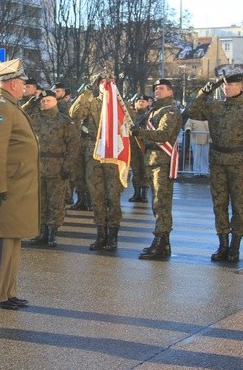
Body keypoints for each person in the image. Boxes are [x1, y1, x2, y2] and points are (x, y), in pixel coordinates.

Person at [0, 58, 39, 311]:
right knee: (3, 240)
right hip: (6, 186)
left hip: (15, 184)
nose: (24, 86)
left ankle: (8, 291)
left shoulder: (9, 104)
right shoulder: (0, 106)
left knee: (13, 238)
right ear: (13, 83)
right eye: (22, 82)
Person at [185, 73, 243, 262]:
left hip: (239, 163)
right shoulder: (215, 107)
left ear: (240, 87)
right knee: (219, 205)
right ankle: (222, 244)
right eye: (224, 86)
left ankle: (235, 246)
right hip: (218, 161)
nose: (226, 88)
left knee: (238, 206)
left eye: (231, 85)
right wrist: (205, 91)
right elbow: (192, 111)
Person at [69, 74, 125, 252]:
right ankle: (101, 234)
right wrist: (86, 92)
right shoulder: (91, 102)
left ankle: (113, 237)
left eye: (109, 82)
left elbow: (128, 127)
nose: (105, 85)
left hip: (115, 154)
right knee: (97, 196)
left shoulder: (121, 105)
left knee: (113, 197)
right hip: (94, 152)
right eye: (101, 82)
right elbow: (74, 113)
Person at [132, 79, 183, 260]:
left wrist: (141, 133)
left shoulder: (170, 111)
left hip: (163, 161)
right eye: (155, 89)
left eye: (161, 89)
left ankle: (161, 241)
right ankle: (163, 242)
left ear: (170, 92)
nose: (157, 91)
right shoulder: (153, 111)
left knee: (161, 203)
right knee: (156, 202)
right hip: (152, 161)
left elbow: (163, 135)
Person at [27, 89, 79, 247]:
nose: (45, 103)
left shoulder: (64, 121)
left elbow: (73, 145)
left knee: (55, 202)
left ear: (55, 101)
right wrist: (32, 101)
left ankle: (51, 233)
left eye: (48, 100)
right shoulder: (33, 119)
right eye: (42, 101)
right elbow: (20, 114)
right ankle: (41, 232)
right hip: (37, 167)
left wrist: (67, 166)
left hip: (57, 168)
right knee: (39, 202)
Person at [129, 95, 153, 202]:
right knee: (136, 170)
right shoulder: (131, 116)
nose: (141, 103)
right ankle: (136, 193)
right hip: (133, 146)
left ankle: (144, 194)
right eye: (139, 101)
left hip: (145, 146)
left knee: (145, 171)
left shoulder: (151, 115)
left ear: (148, 103)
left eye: (143, 101)